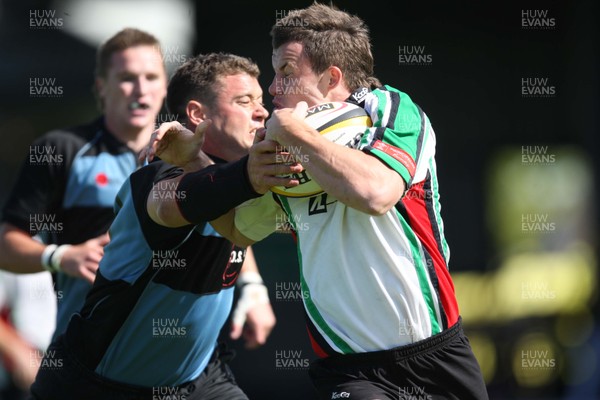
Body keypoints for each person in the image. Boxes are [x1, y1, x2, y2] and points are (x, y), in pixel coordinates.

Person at [150, 4, 489, 399]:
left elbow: (375, 193)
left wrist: (294, 130)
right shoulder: (280, 148)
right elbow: (238, 229)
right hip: (348, 369)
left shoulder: (392, 110)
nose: (274, 89)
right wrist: (194, 160)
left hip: (436, 353)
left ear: (332, 77)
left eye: (286, 74)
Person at [27, 52, 299, 400]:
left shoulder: (242, 183)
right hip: (98, 384)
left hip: (201, 379)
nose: (261, 112)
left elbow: (235, 222)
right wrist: (245, 176)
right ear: (198, 114)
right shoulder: (159, 175)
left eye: (261, 101)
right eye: (244, 101)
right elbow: (178, 204)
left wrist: (254, 286)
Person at [0, 27, 274, 353]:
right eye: (127, 78)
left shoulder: (202, 149)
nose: (140, 89)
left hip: (188, 354)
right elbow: (6, 246)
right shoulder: (63, 150)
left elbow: (228, 214)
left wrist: (253, 285)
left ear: (164, 86)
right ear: (102, 87)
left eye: (151, 77)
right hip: (100, 348)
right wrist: (61, 256)